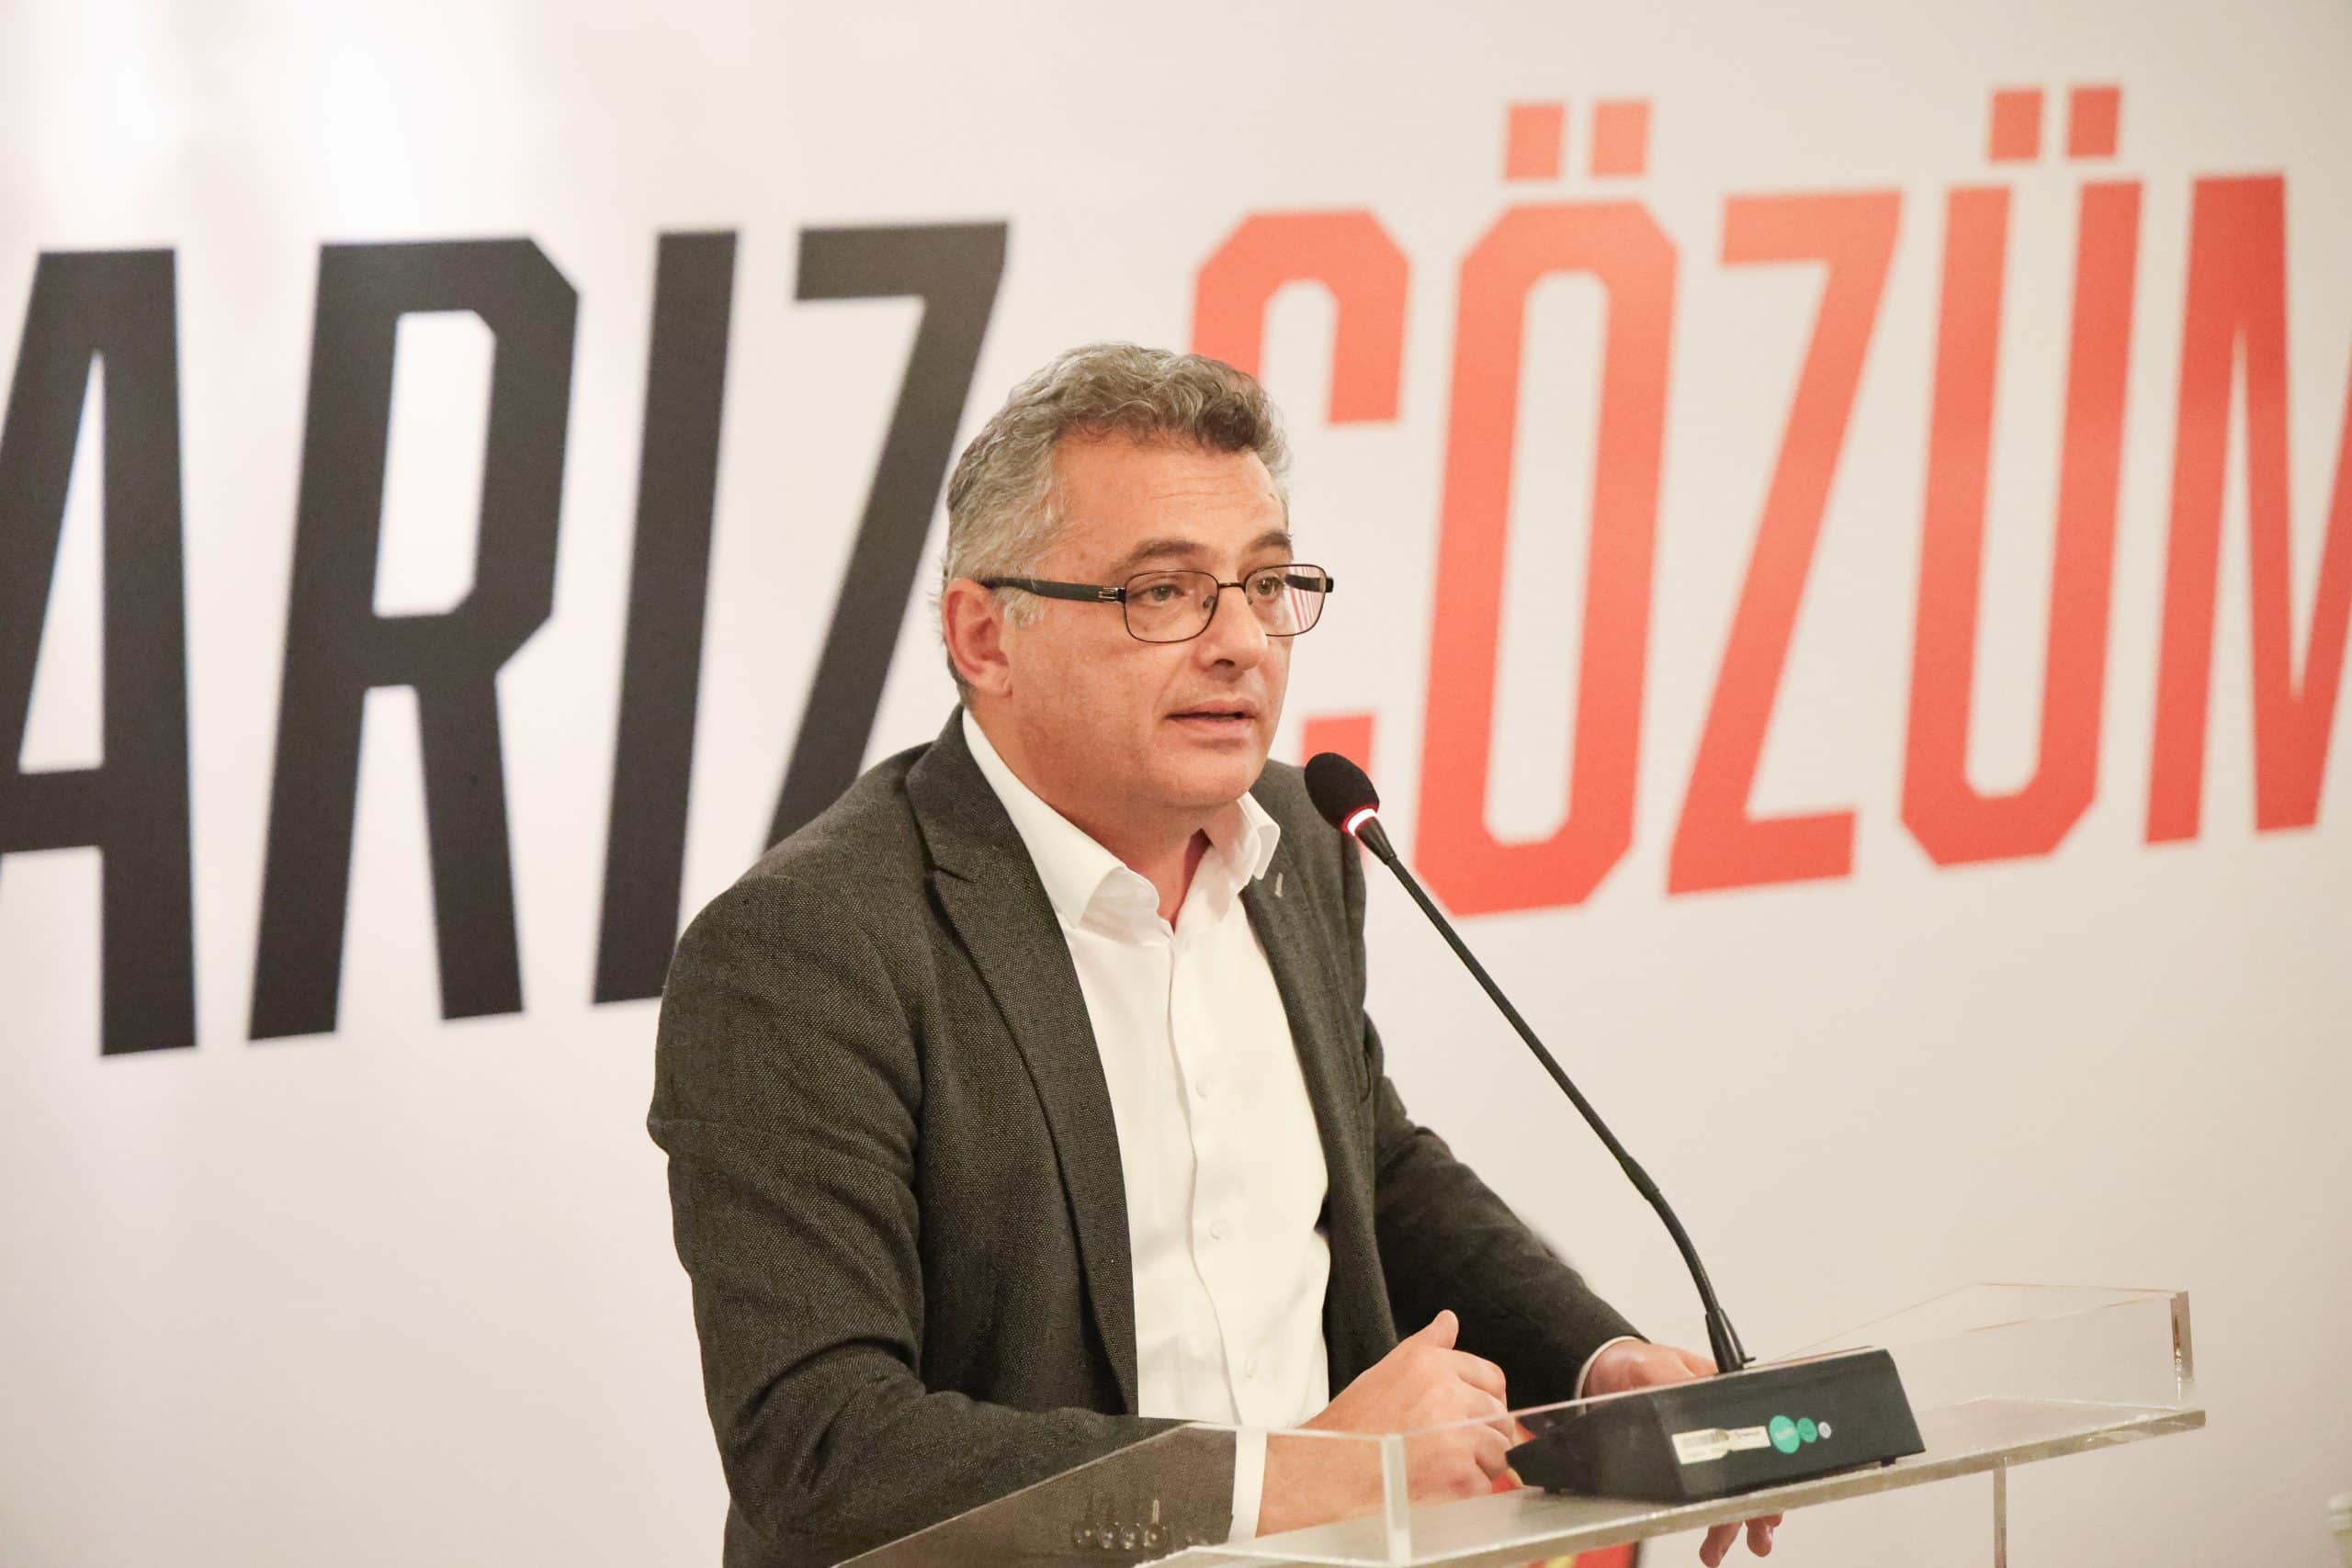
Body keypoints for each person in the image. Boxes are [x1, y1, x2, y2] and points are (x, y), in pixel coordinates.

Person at [650, 344, 1779, 1566]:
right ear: (985, 637)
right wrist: (1291, 1476)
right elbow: (820, 1452)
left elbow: (1369, 1170)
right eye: (1163, 592)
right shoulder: (808, 950)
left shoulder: (1300, 836)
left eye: (1267, 583)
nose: (1243, 641)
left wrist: (1599, 1364)